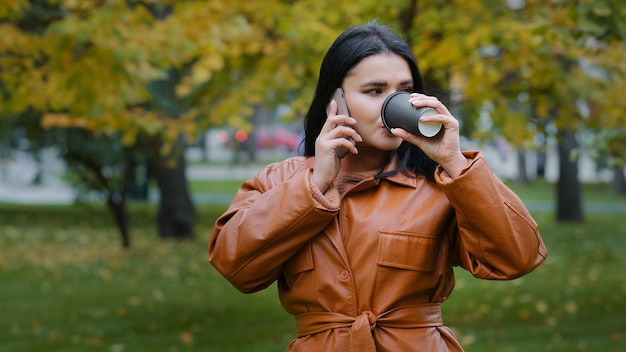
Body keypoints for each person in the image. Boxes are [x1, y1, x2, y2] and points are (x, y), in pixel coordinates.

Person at [208, 21, 547, 351]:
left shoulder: (441, 184)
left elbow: (516, 258)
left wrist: (455, 161)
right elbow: (235, 265)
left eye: (405, 91)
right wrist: (313, 185)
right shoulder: (279, 181)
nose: (394, 104)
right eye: (374, 91)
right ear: (334, 101)